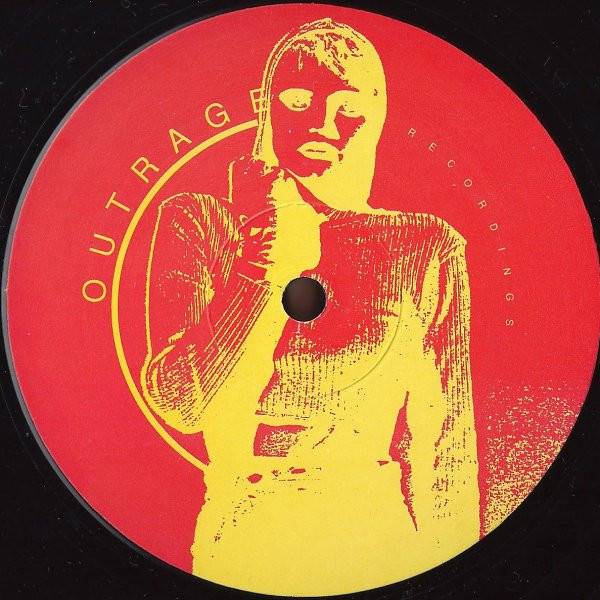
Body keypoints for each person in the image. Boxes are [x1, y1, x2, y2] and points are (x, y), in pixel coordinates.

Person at [141, 18, 480, 595]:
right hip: (239, 534)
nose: (322, 122)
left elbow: (446, 441)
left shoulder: (425, 245)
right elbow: (180, 404)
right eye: (298, 100)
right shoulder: (199, 222)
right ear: (267, 109)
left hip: (373, 529)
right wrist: (258, 268)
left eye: (347, 107)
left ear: (376, 120)